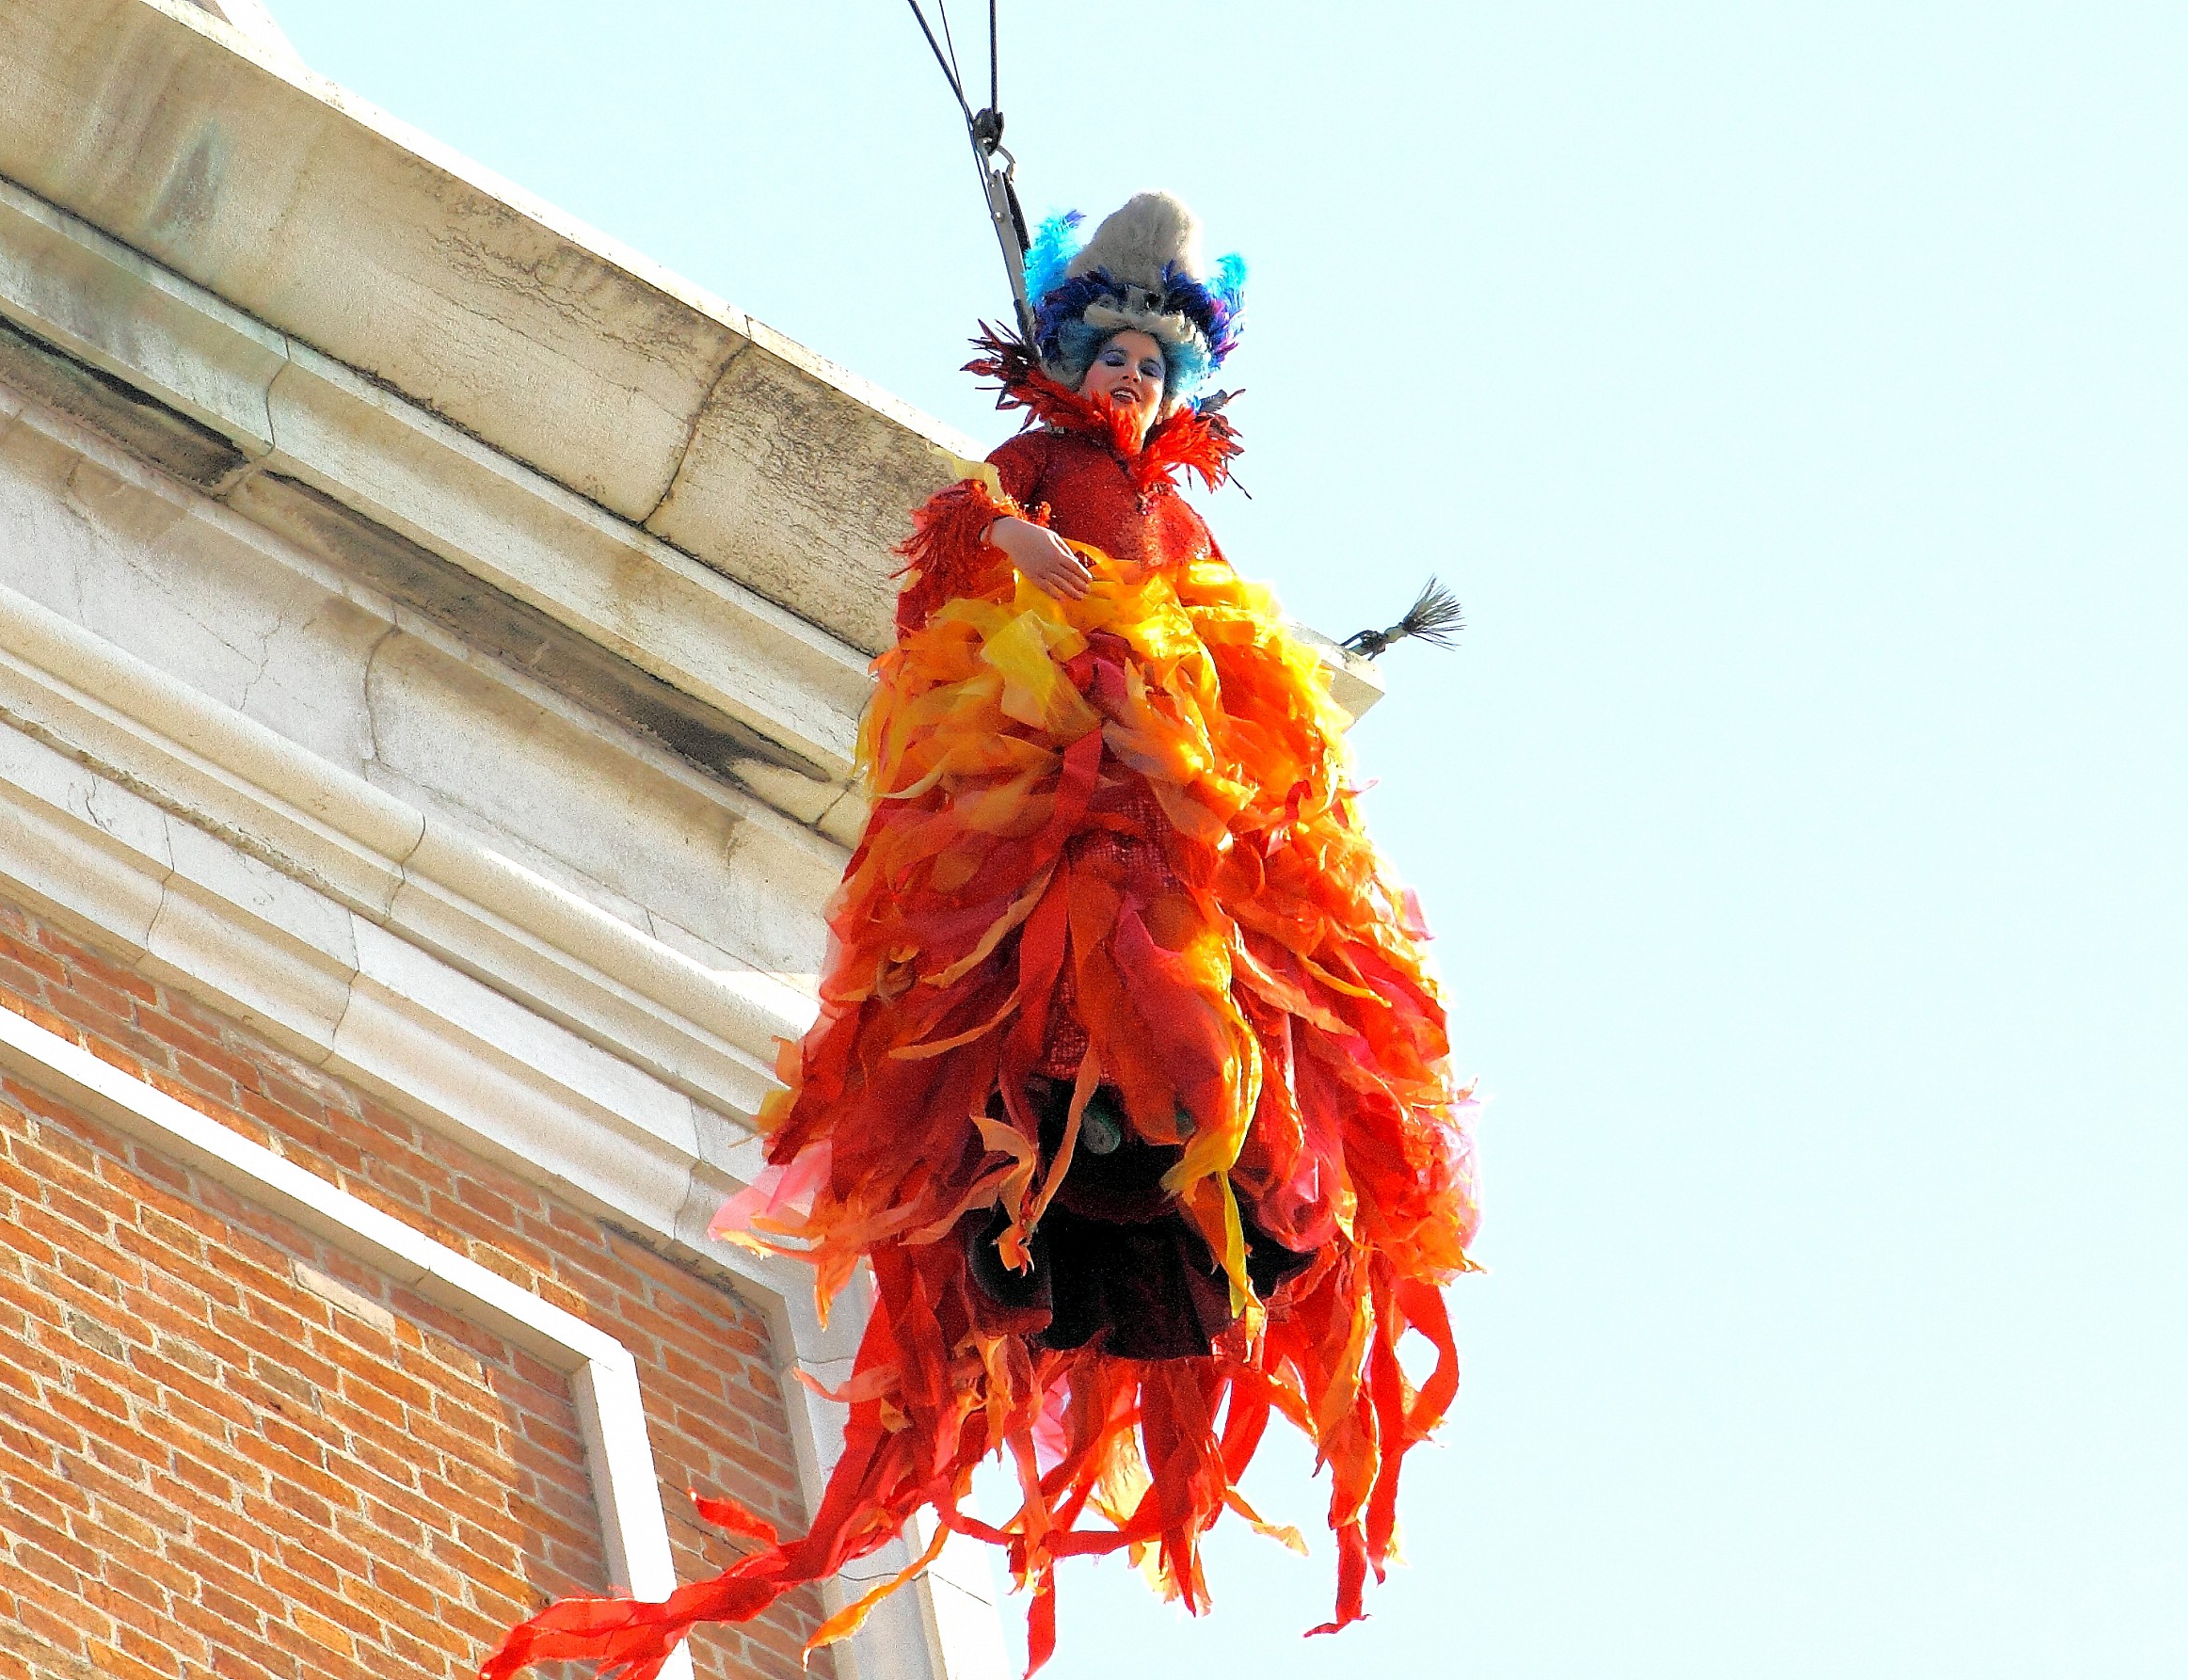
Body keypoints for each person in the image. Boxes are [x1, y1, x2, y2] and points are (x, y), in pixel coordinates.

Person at [485, 192, 1476, 1680]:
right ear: (1067, 355)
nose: (1133, 379)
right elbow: (960, 531)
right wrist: (1033, 550)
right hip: (1042, 726)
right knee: (1048, 952)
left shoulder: (1180, 505)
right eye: (1113, 351)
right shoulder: (1039, 463)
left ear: (1183, 381)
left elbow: (1202, 599)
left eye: (1156, 360)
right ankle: (1055, 1175)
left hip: (1157, 752)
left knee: (1194, 972)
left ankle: (1191, 1194)